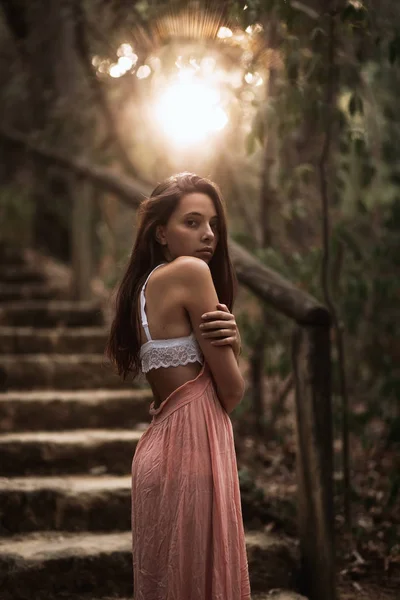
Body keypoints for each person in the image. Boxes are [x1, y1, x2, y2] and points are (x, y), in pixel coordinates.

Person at [106, 172, 251, 599]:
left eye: (213, 225)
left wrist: (231, 343)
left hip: (162, 451)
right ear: (161, 233)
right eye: (192, 222)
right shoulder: (190, 271)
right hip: (191, 451)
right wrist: (234, 347)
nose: (208, 235)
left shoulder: (143, 289)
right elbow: (231, 392)